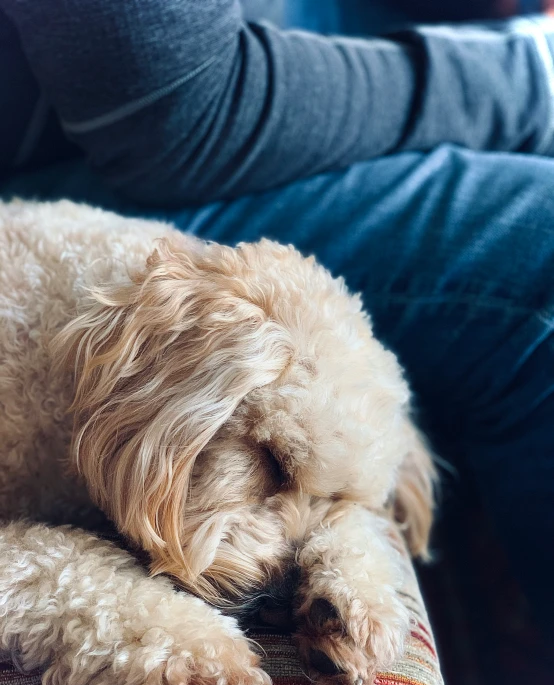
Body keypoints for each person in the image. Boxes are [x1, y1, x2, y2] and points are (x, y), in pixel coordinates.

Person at [1, 0, 554, 635]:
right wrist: (533, 70)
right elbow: (176, 109)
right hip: (129, 134)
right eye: (275, 466)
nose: (278, 568)